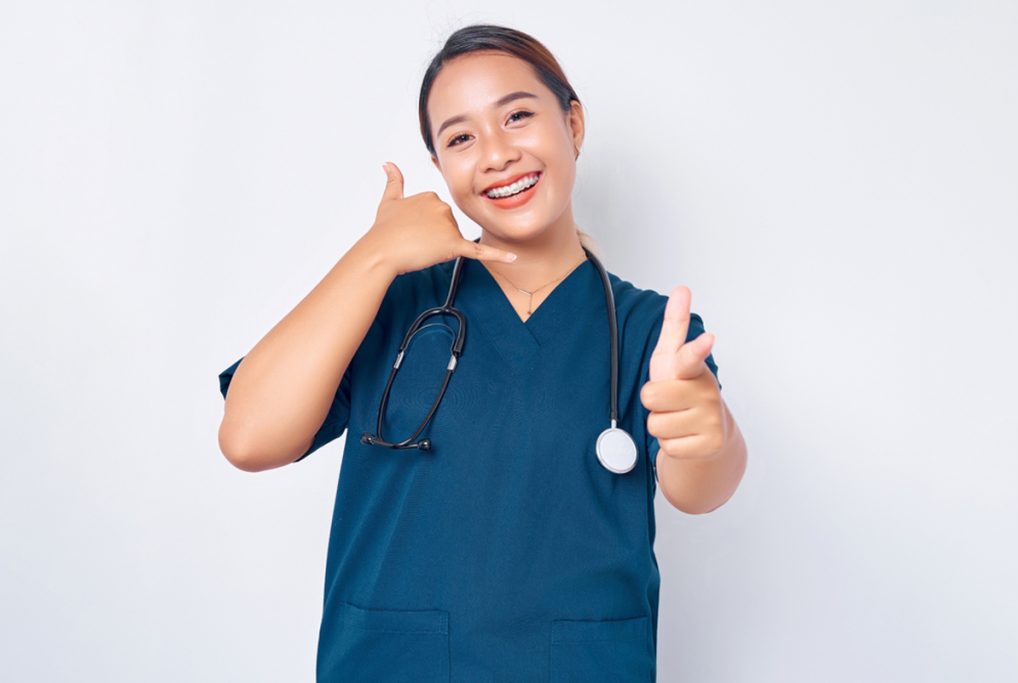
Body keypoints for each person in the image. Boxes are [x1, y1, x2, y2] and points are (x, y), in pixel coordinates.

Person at [217, 23, 747, 682]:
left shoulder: (650, 330)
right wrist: (374, 254)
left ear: (573, 124)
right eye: (461, 137)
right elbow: (247, 437)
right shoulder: (387, 304)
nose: (495, 153)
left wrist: (705, 432)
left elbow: (700, 487)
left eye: (517, 116)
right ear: (440, 169)